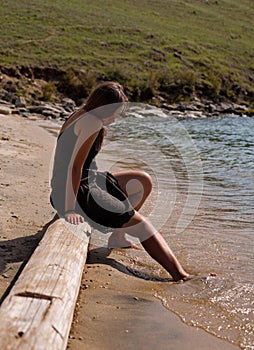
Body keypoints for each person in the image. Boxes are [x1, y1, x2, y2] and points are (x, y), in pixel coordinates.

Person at [50, 81, 190, 282]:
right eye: (114, 113)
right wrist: (70, 209)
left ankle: (118, 236)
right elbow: (74, 168)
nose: (115, 119)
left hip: (86, 180)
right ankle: (181, 276)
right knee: (143, 225)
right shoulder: (92, 123)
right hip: (74, 191)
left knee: (143, 181)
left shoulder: (81, 112)